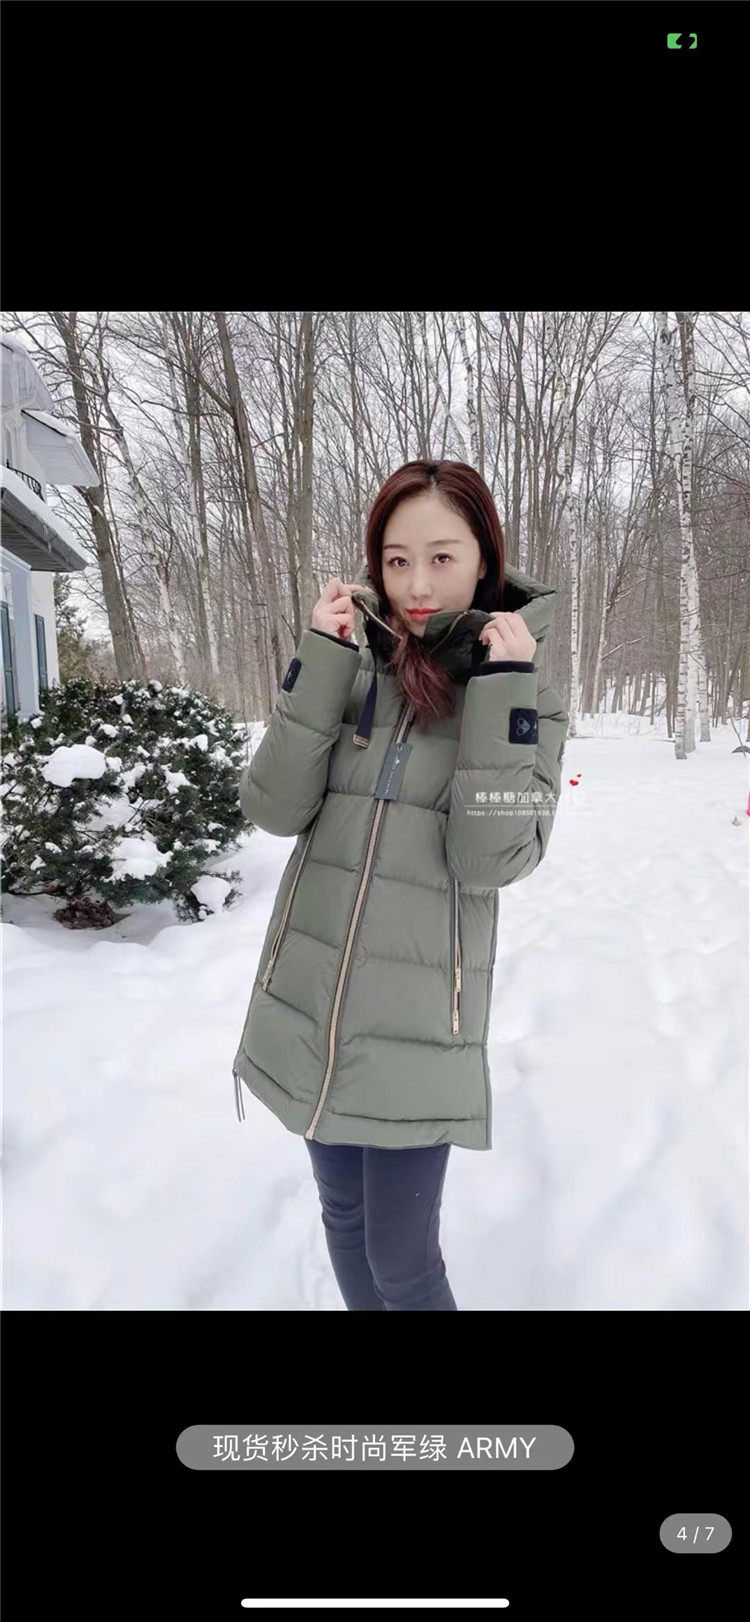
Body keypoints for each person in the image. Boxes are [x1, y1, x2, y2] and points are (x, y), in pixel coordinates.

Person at [232, 459, 569, 1310]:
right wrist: (319, 659)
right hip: (312, 1008)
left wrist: (500, 691)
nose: (417, 585)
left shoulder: (528, 691)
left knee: (403, 1264)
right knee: (343, 1222)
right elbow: (272, 808)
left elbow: (492, 860)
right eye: (396, 559)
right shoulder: (351, 667)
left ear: (485, 560)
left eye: (442, 557)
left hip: (421, 1025)